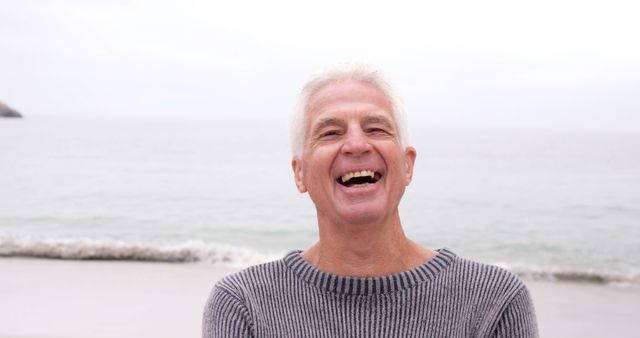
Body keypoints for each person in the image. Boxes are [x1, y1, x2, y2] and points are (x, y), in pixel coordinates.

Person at [202, 63, 538, 337]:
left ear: (407, 165)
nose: (357, 144)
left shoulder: (493, 301)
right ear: (299, 173)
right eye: (330, 132)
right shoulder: (243, 306)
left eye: (376, 128)